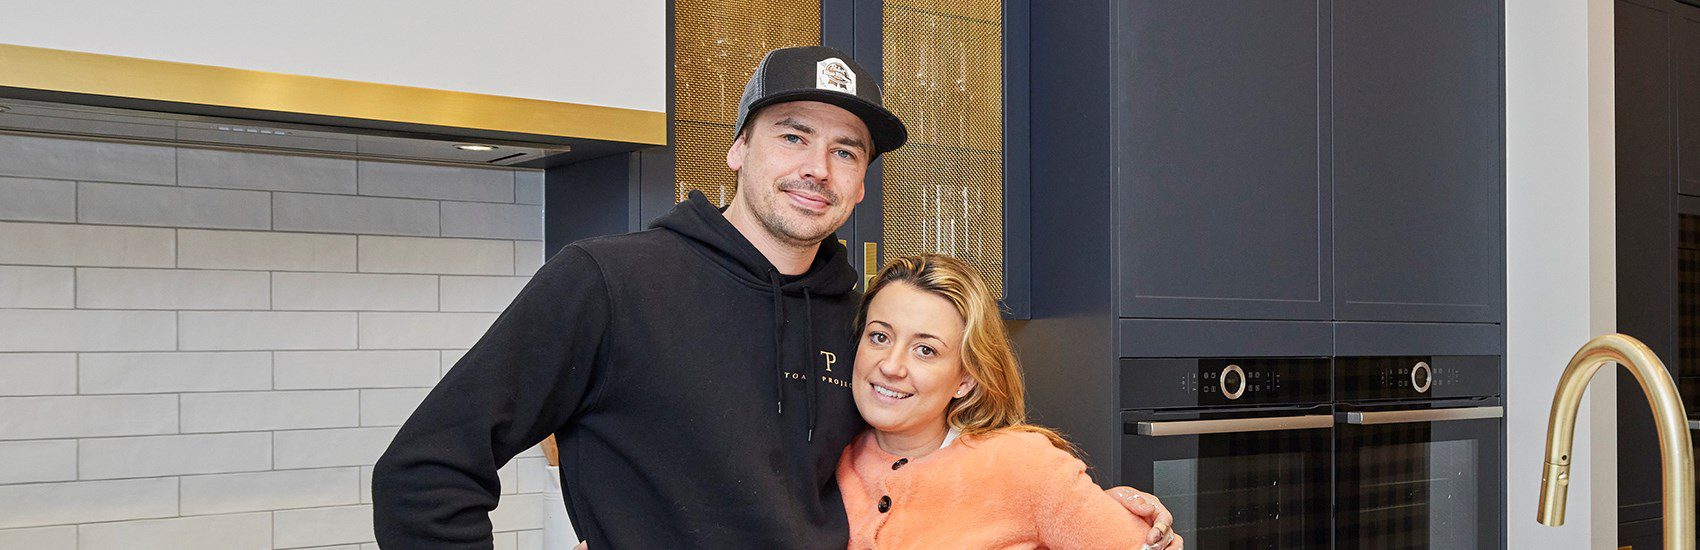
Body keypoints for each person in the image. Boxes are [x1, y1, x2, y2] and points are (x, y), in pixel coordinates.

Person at [372, 45, 1176, 548]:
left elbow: (926, 457)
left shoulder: (859, 321)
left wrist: (1091, 516)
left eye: (845, 152)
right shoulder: (609, 282)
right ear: (736, 149)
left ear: (861, 187)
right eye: (792, 135)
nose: (816, 169)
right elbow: (425, 472)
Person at [838, 254, 1182, 549]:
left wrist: (1098, 514)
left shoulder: (1023, 463)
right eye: (880, 336)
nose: (891, 365)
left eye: (925, 350)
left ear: (965, 379)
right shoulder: (832, 458)